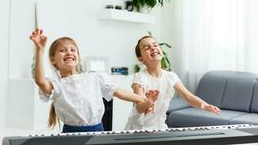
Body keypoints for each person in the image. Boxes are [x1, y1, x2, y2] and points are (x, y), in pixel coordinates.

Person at [29, 28, 159, 133]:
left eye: (72, 50)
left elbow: (118, 92)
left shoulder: (94, 77)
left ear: (78, 57)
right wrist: (40, 49)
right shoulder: (57, 86)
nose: (68, 52)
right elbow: (40, 81)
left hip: (98, 130)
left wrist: (143, 100)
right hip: (71, 133)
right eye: (62, 51)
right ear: (53, 59)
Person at [124, 35, 221, 130]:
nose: (153, 48)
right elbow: (139, 108)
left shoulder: (171, 76)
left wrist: (204, 105)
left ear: (161, 51)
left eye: (155, 45)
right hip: (138, 128)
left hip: (159, 127)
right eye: (147, 47)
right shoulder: (139, 78)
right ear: (141, 59)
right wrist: (149, 102)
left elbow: (189, 97)